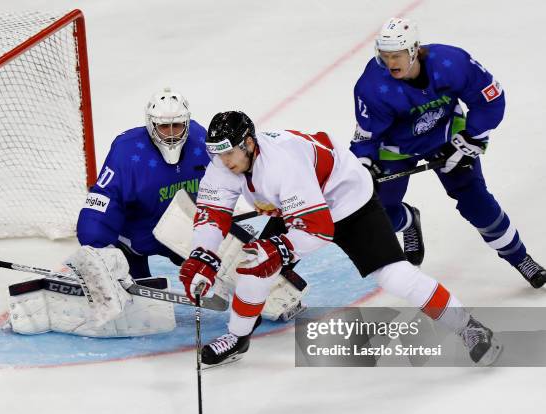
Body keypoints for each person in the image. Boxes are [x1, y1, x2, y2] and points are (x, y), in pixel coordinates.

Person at [179, 111, 502, 367]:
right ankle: (238, 337)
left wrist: (278, 248)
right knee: (253, 266)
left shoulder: (281, 166)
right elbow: (212, 213)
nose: (224, 162)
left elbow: (318, 229)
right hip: (297, 206)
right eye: (217, 155)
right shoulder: (224, 164)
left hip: (347, 201)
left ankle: (469, 326)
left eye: (229, 153)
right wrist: (202, 255)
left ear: (249, 143)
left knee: (394, 276)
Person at [349, 17, 546, 287]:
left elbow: (490, 99)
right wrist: (364, 164)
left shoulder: (451, 62)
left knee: (477, 203)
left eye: (395, 55)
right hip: (397, 148)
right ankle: (408, 221)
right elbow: (367, 134)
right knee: (379, 216)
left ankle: (521, 258)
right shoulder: (372, 85)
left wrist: (473, 136)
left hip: (448, 137)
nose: (389, 62)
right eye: (383, 56)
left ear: (414, 50)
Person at [77, 87, 210, 279]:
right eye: (164, 127)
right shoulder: (127, 152)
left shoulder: (199, 140)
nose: (172, 134)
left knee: (221, 254)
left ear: (187, 123)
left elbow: (223, 187)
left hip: (180, 232)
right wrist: (98, 253)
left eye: (178, 125)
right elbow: (103, 201)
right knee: (135, 297)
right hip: (134, 238)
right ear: (151, 124)